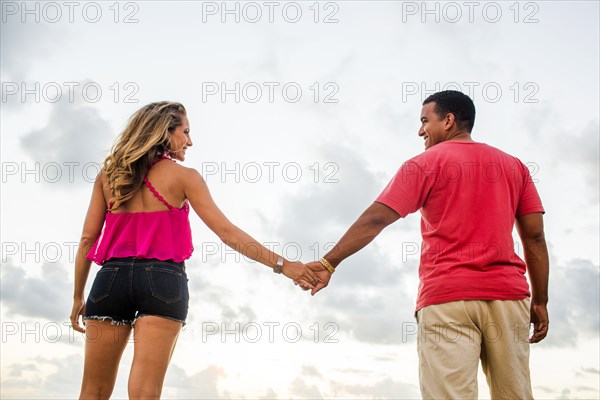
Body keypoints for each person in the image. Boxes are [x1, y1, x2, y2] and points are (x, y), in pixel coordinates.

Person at [306, 90, 549, 399]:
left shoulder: (424, 163)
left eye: (425, 121)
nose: (420, 131)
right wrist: (540, 301)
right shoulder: (515, 166)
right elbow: (535, 237)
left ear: (448, 121)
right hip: (508, 298)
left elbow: (377, 219)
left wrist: (329, 262)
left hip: (448, 300)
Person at [70, 101, 318, 399]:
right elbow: (227, 233)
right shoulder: (186, 178)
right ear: (165, 133)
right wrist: (283, 265)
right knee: (145, 393)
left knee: (92, 392)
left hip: (110, 281)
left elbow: (87, 240)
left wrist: (77, 296)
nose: (189, 141)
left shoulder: (108, 177)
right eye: (185, 132)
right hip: (163, 282)